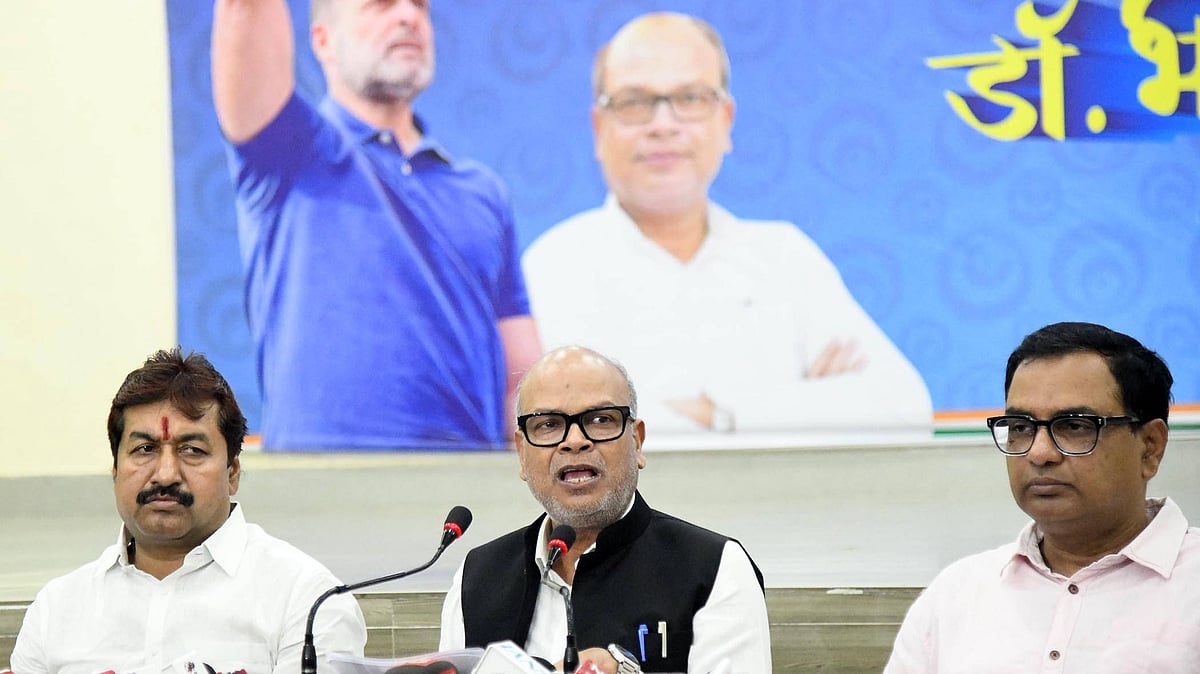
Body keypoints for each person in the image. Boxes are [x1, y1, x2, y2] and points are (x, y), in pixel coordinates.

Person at [522, 12, 931, 439]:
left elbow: (905, 409)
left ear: (726, 119)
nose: (663, 125)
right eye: (634, 103)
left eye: (691, 98)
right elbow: (556, 437)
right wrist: (806, 405)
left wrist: (723, 413)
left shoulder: (785, 257)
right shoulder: (552, 269)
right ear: (598, 128)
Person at [211, 0, 541, 450]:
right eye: (380, 5)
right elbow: (244, 10)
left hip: (466, 492)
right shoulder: (289, 151)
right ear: (324, 41)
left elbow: (520, 380)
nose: (407, 16)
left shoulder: (482, 191)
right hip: (323, 489)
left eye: (419, 6)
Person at [8, 348, 366, 673]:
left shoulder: (305, 600)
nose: (165, 474)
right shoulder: (56, 611)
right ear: (115, 470)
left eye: (192, 450)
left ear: (233, 473)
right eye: (145, 449)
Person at [884, 322, 1200, 672]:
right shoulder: (956, 595)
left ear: (1150, 448)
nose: (1040, 453)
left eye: (1075, 426)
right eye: (1021, 427)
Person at [438, 346, 772, 673]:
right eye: (549, 424)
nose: (574, 441)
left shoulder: (714, 568)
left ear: (637, 442)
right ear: (522, 454)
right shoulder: (477, 576)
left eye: (600, 419)